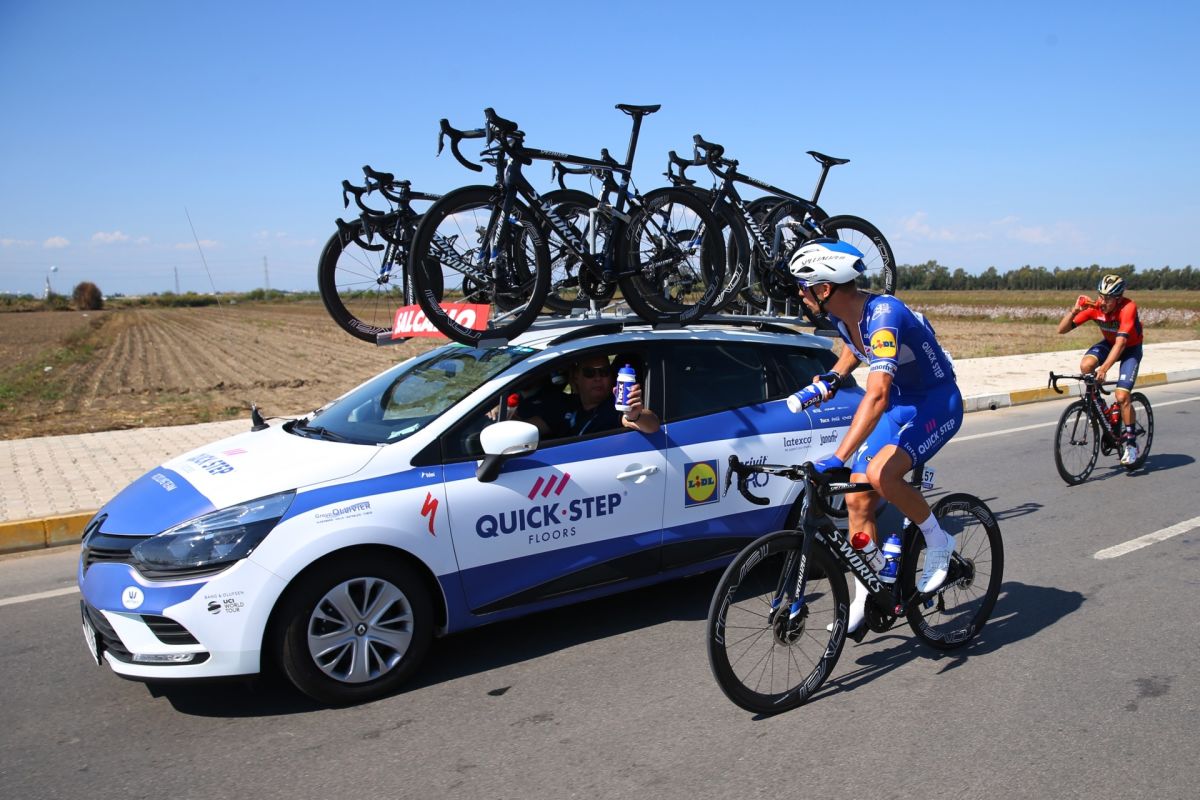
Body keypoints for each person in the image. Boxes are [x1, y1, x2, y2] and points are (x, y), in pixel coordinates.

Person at [788, 239, 962, 637]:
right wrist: (833, 377)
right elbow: (854, 348)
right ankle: (867, 592)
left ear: (825, 288)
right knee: (856, 497)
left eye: (803, 286)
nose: (800, 294)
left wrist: (838, 456)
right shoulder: (841, 315)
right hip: (901, 404)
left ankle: (938, 542)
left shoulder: (884, 314)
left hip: (937, 403)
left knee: (882, 473)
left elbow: (878, 394)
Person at [1056, 274, 1143, 465]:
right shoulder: (1095, 307)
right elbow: (1061, 329)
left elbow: (1121, 344)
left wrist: (1103, 369)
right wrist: (1074, 311)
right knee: (1086, 365)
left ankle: (1131, 444)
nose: (1103, 302)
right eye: (1101, 296)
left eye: (1108, 298)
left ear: (1118, 298)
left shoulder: (1128, 307)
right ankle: (1098, 406)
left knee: (1122, 396)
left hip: (1130, 349)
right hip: (1109, 343)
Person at [516, 353, 660, 438]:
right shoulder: (565, 404)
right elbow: (524, 429)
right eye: (589, 373)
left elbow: (652, 426)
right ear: (576, 377)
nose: (598, 378)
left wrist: (635, 415)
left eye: (604, 372)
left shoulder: (616, 407)